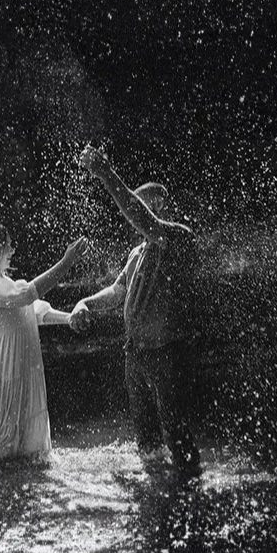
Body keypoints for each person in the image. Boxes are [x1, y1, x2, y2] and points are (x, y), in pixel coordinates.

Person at [70, 146, 202, 479]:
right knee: (146, 437)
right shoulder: (136, 252)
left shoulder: (174, 237)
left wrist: (105, 173)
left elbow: (147, 221)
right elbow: (118, 291)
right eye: (144, 202)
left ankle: (190, 492)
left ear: (161, 208)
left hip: (168, 353)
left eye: (153, 203)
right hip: (136, 354)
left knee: (177, 432)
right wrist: (85, 303)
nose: (144, 209)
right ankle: (156, 490)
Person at [0, 220, 87, 463]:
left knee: (29, 448)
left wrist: (68, 318)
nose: (11, 251)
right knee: (2, 443)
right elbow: (26, 295)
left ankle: (23, 486)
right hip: (3, 366)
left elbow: (35, 310)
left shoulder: (4, 281)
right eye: (6, 246)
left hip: (23, 364)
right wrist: (65, 263)